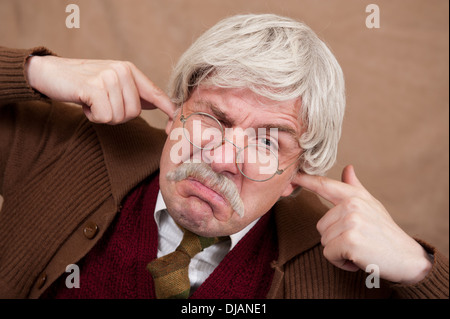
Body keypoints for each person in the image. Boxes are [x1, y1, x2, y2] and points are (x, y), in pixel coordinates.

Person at [0, 14, 447, 299]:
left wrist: (419, 271)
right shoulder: (68, 149)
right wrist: (34, 71)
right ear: (174, 114)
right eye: (213, 118)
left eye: (268, 142)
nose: (222, 158)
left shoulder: (342, 271)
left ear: (297, 175)